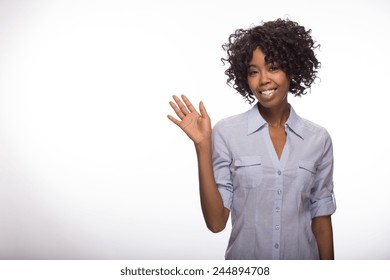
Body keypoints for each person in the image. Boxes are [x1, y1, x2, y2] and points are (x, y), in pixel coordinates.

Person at [167, 18, 336, 260]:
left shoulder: (318, 139)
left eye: (273, 67)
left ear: (292, 69)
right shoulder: (227, 133)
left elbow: (321, 221)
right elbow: (216, 223)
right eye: (254, 72)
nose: (264, 79)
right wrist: (203, 146)